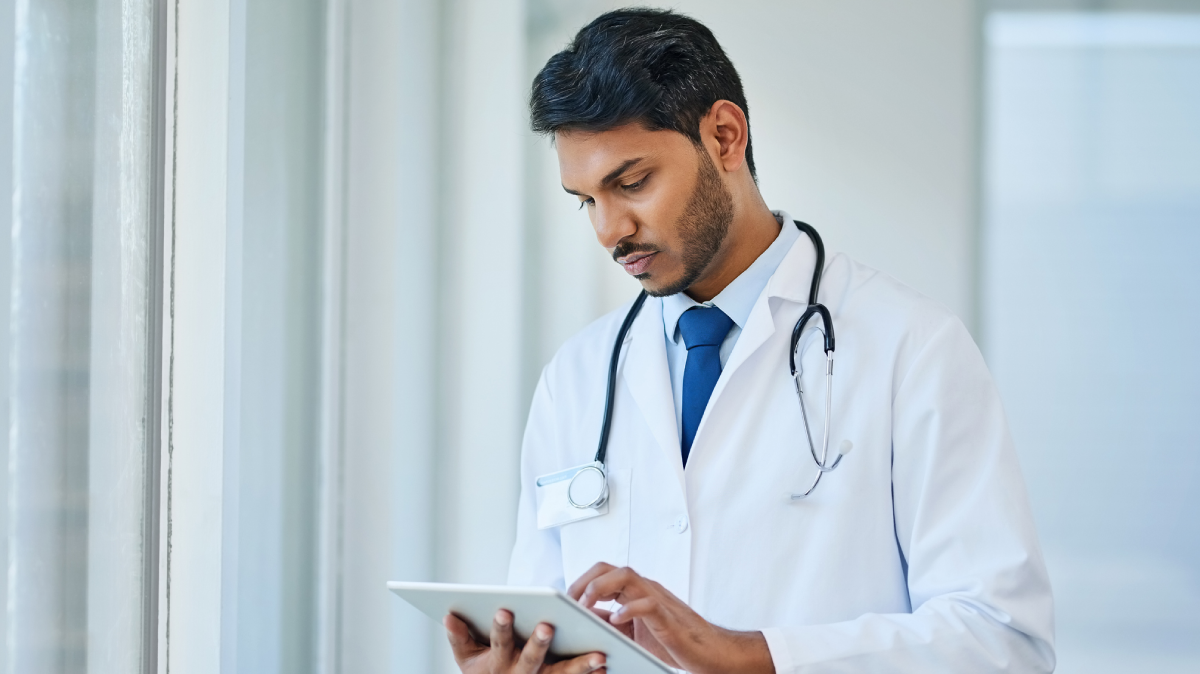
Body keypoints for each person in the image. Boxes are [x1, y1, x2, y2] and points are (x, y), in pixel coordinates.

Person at [444, 8, 1054, 674]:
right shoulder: (577, 378)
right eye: (586, 199)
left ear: (725, 136)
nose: (608, 230)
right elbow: (555, 623)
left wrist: (750, 656)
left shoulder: (911, 349)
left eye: (632, 182)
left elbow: (1002, 643)